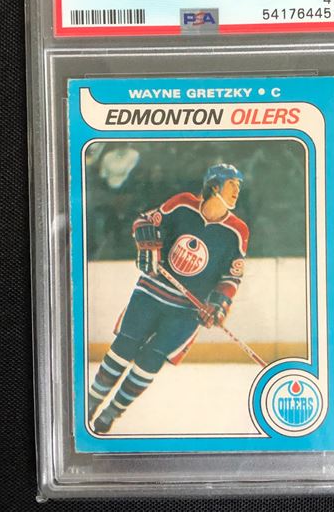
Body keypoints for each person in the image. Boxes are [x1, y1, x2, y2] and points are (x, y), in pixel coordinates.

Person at [88, 164, 249, 434]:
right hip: (151, 291)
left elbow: (231, 277)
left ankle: (112, 412)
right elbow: (144, 221)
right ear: (214, 186)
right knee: (125, 346)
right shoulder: (183, 204)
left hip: (186, 311)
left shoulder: (237, 231)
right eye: (232, 184)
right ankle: (91, 402)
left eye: (239, 186)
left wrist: (219, 303)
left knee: (150, 360)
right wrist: (146, 241)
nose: (236, 191)